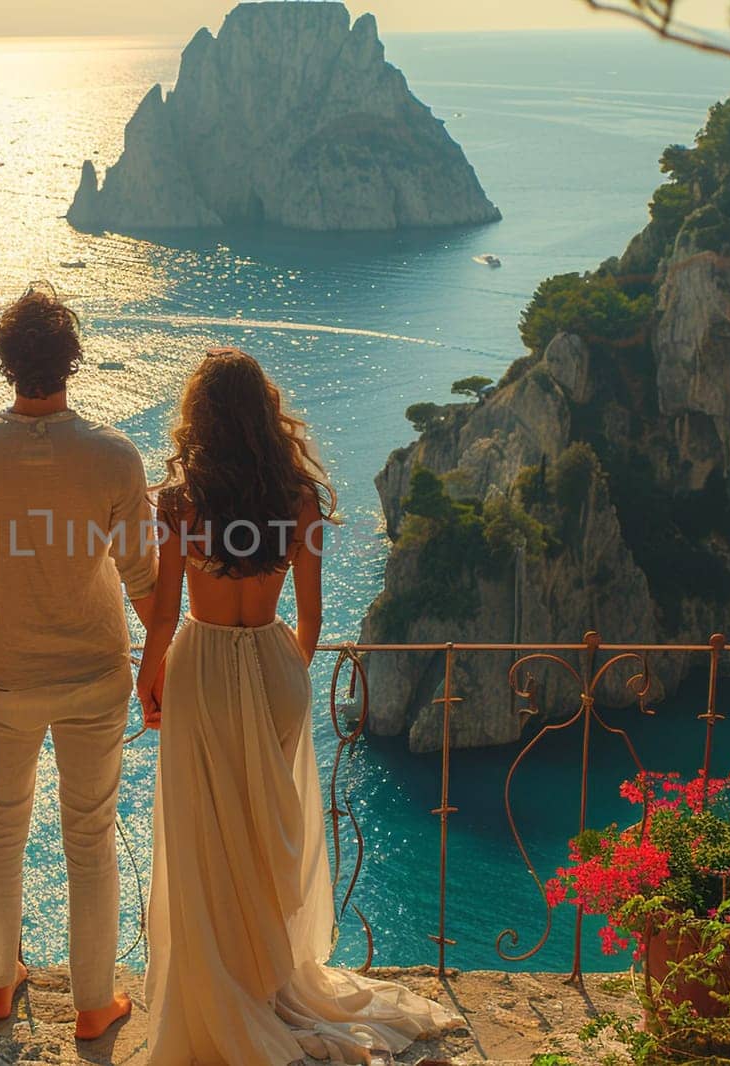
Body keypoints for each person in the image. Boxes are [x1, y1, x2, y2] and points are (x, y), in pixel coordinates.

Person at [136, 348, 462, 1064]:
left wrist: (149, 677)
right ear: (265, 414)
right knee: (263, 829)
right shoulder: (298, 499)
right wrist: (278, 672)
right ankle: (268, 976)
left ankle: (223, 984)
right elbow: (310, 617)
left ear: (200, 415)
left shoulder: (179, 501)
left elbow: (163, 615)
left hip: (202, 668)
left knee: (205, 838)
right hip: (278, 665)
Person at [0, 284, 153, 1040]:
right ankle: (93, 1006)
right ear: (72, 361)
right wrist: (160, 669)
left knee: (1, 826)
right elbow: (145, 580)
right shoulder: (114, 456)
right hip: (96, 674)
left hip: (9, 672)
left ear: (4, 363)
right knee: (89, 837)